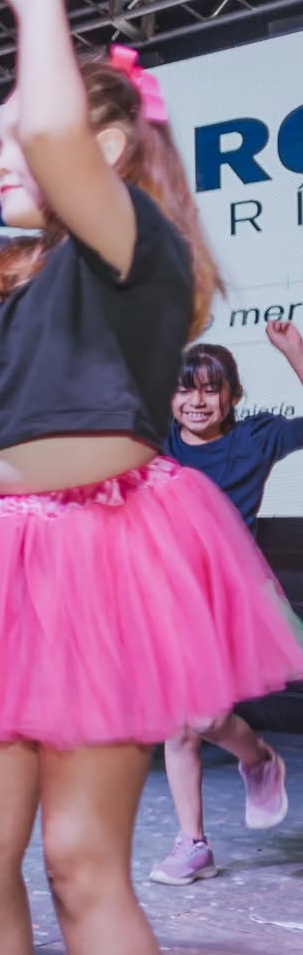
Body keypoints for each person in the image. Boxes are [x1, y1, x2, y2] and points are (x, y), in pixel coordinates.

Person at [0, 0, 303, 955]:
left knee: (79, 859)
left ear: (104, 146)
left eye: (18, 136)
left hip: (103, 557)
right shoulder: (1, 264)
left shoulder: (134, 246)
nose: (3, 153)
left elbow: (57, 134)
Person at [150, 327, 303, 884]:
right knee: (180, 725)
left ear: (233, 397)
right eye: (186, 389)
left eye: (212, 390)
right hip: (168, 594)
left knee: (206, 716)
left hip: (233, 597)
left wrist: (294, 353)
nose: (197, 401)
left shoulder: (256, 438)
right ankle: (193, 843)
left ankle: (259, 759)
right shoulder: (157, 444)